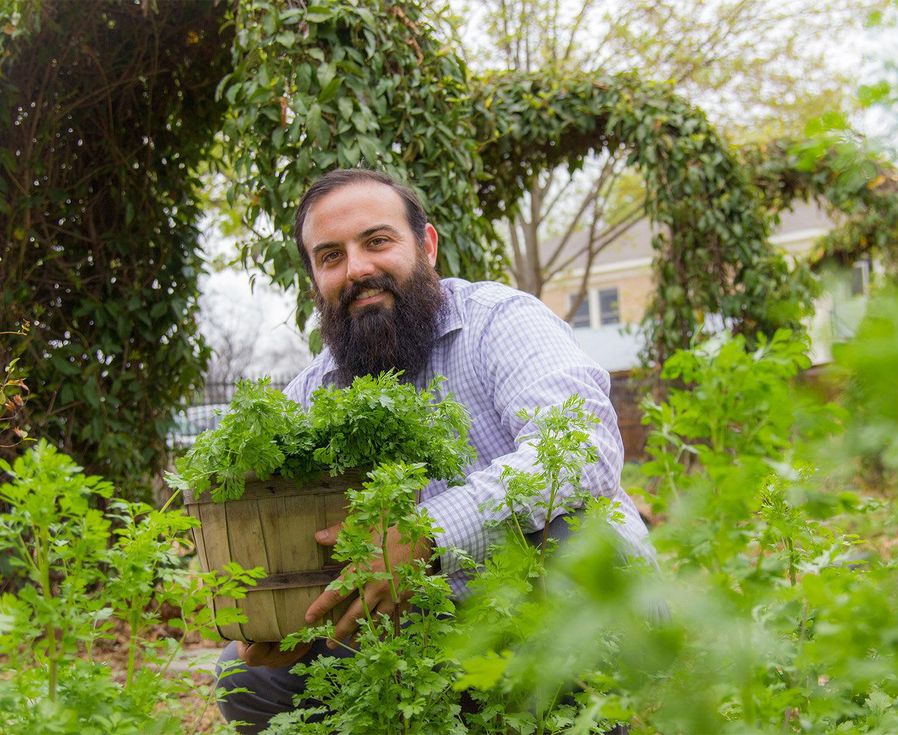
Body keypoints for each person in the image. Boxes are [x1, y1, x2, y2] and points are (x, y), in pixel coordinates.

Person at [216, 168, 654, 733]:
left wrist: (427, 533)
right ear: (313, 282)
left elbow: (581, 451)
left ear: (426, 245)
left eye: (377, 241)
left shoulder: (501, 322)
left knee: (570, 540)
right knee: (244, 681)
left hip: (547, 611)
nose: (358, 269)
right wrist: (282, 622)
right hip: (416, 639)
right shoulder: (313, 392)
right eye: (330, 257)